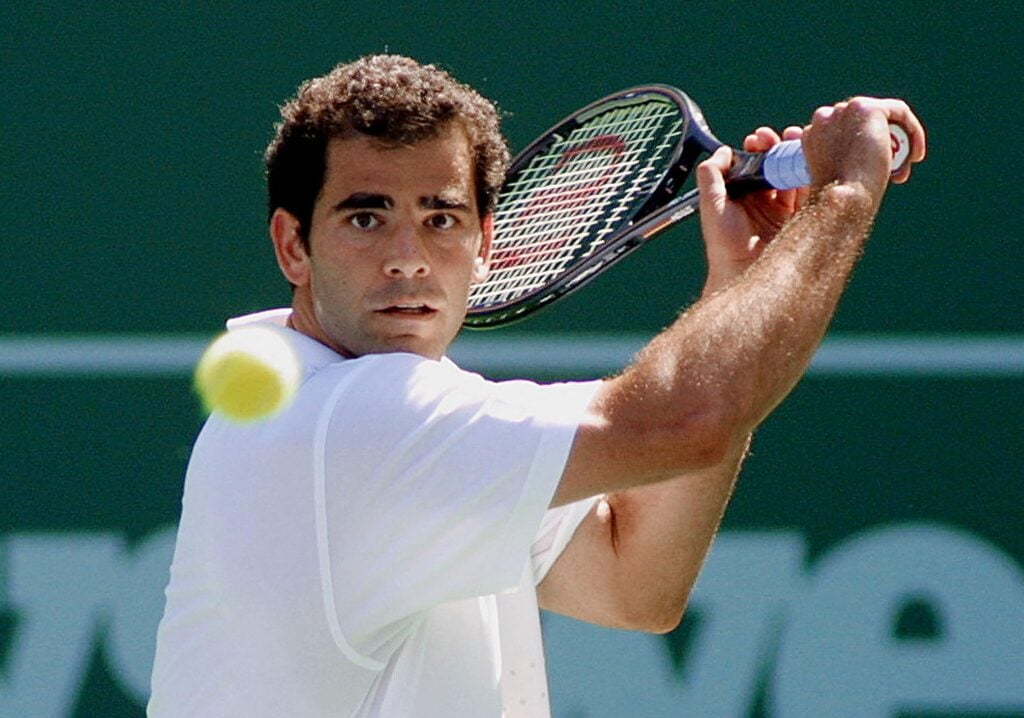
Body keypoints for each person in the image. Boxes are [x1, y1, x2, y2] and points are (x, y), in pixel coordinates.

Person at [148, 54, 925, 717]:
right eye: (365, 218)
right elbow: (686, 422)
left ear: (487, 243)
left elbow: (634, 581)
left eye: (442, 218)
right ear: (293, 245)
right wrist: (844, 195)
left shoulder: (396, 426)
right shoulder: (348, 422)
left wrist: (737, 290)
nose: (409, 257)